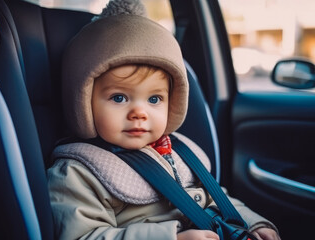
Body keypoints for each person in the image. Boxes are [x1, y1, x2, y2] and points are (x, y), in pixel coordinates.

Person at [47, 0, 281, 239]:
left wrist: (251, 224)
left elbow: (217, 198)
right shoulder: (77, 173)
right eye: (119, 97)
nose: (140, 113)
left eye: (155, 99)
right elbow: (83, 236)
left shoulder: (178, 152)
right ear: (83, 102)